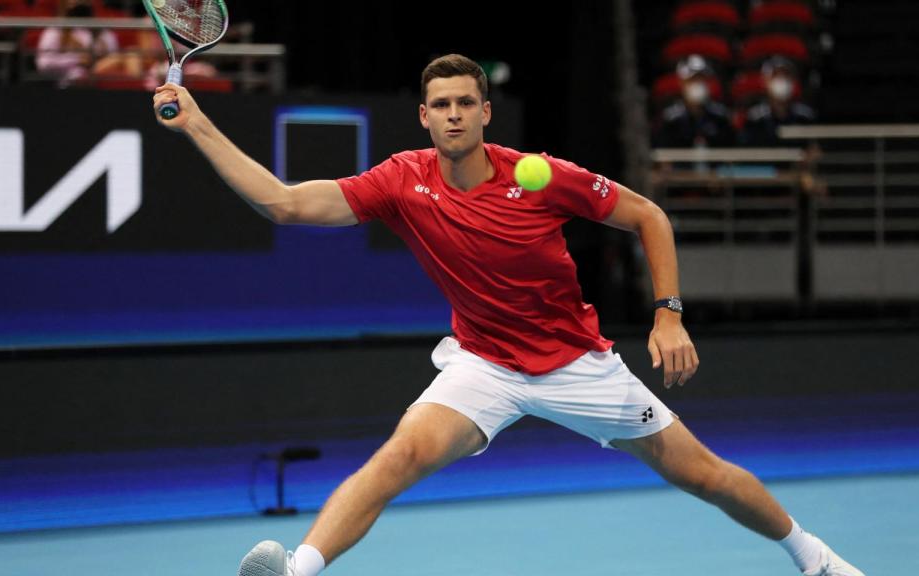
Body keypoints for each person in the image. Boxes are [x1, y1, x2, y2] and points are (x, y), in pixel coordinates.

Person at [152, 53, 864, 576]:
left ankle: (818, 560)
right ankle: (298, 571)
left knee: (703, 476)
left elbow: (649, 215)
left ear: (485, 113)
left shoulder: (543, 176)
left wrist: (668, 313)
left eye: (467, 102)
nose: (454, 114)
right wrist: (200, 126)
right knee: (400, 454)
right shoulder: (401, 181)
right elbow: (283, 202)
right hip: (484, 365)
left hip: (576, 364)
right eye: (442, 104)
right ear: (424, 116)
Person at [655, 54, 735, 149]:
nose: (698, 83)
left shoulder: (721, 117)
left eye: (701, 79)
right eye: (693, 79)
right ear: (682, 83)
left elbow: (731, 156)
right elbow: (664, 158)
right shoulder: (670, 119)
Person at [35, 0, 119, 87]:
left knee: (127, 57)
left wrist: (99, 56)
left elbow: (114, 56)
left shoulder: (102, 32)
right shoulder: (56, 31)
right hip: (73, 86)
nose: (80, 2)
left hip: (102, 80)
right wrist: (77, 60)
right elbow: (43, 64)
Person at [741, 56, 817, 147]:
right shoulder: (754, 117)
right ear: (765, 81)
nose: (781, 80)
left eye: (786, 75)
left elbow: (814, 146)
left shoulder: (806, 116)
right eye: (776, 76)